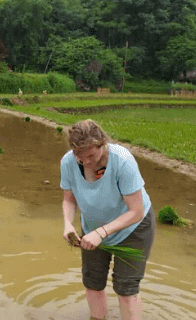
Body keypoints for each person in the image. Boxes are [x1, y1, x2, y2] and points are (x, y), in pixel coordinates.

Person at [60, 119, 154, 320]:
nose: (85, 162)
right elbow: (69, 199)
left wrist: (102, 232)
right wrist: (68, 223)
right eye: (79, 156)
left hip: (132, 229)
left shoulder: (123, 161)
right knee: (92, 282)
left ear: (102, 144)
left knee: (125, 288)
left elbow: (136, 211)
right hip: (93, 229)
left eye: (91, 155)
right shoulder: (68, 162)